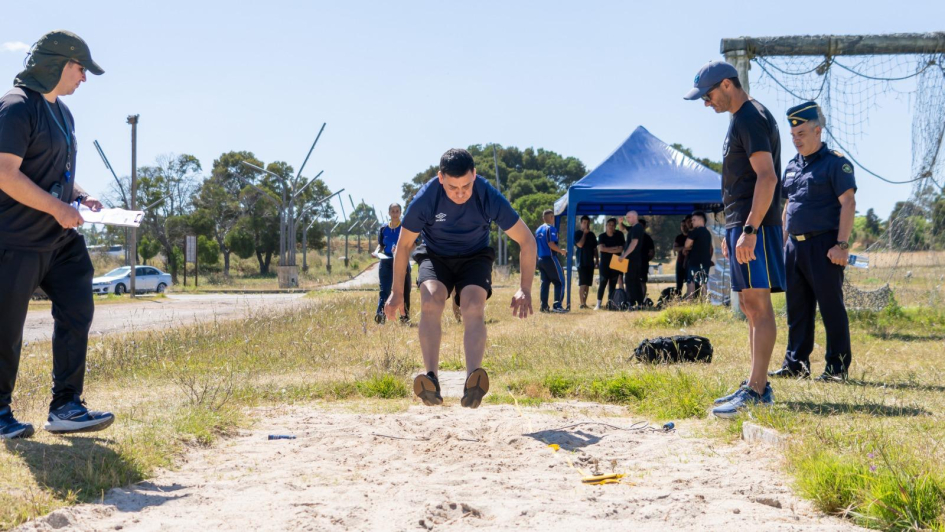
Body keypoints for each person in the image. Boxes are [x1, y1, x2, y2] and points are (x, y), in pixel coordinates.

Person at [0, 31, 115, 439]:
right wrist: (58, 208)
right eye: (81, 68)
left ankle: (66, 406)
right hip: (15, 240)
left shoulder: (63, 113)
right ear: (58, 63)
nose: (84, 77)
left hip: (60, 240)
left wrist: (81, 197)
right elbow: (5, 175)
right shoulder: (15, 108)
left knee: (78, 310)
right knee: (6, 330)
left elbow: (52, 170)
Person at [384, 148, 536, 409]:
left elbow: (527, 240)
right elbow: (404, 244)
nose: (460, 193)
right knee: (431, 300)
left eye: (466, 185)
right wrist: (397, 291)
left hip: (474, 256)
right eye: (453, 187)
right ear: (440, 178)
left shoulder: (487, 194)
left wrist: (525, 287)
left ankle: (473, 381)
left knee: (472, 304)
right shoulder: (426, 198)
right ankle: (431, 378)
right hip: (436, 255)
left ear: (474, 175)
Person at [685, 60, 785, 418]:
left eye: (708, 95)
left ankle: (759, 390)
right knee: (748, 306)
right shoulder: (740, 119)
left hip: (755, 228)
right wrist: (735, 227)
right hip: (742, 224)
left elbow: (767, 178)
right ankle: (754, 383)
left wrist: (750, 230)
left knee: (759, 306)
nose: (706, 102)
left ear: (727, 85)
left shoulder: (750, 117)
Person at [769, 102, 856, 382]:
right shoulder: (793, 165)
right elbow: (788, 206)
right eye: (793, 134)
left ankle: (837, 368)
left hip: (825, 246)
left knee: (831, 308)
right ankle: (796, 364)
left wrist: (841, 244)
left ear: (818, 130)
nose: (796, 139)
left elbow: (848, 202)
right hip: (794, 247)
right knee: (797, 308)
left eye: (802, 133)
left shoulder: (835, 162)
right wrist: (781, 244)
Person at [373, 203, 411, 324]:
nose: (395, 214)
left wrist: (402, 250)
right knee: (384, 289)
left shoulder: (405, 227)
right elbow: (381, 244)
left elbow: (413, 243)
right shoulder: (383, 228)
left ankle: (404, 317)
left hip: (401, 261)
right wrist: (376, 251)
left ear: (400, 213)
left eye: (397, 211)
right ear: (389, 213)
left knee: (404, 290)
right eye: (393, 211)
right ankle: (380, 316)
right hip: (386, 262)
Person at [535, 209, 566, 313]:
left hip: (540, 259)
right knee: (560, 282)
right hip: (550, 258)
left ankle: (544, 306)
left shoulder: (538, 230)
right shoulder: (551, 229)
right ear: (552, 218)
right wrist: (561, 251)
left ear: (543, 218)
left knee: (545, 283)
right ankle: (557, 306)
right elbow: (551, 244)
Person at [594, 217, 624, 310]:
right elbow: (601, 249)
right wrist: (614, 249)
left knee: (613, 284)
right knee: (603, 282)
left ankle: (611, 303)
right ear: (606, 226)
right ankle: (598, 304)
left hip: (616, 262)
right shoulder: (602, 236)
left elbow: (621, 249)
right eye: (609, 225)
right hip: (605, 263)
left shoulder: (619, 235)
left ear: (615, 227)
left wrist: (608, 249)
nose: (611, 227)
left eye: (613, 225)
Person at [618, 211, 645, 307]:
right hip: (633, 259)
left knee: (630, 281)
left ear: (634, 217)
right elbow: (622, 228)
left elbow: (634, 243)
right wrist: (621, 222)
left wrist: (623, 255)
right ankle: (639, 302)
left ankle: (631, 301)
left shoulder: (637, 228)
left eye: (628, 217)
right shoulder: (633, 228)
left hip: (633, 259)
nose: (627, 219)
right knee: (635, 281)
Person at [684, 211, 714, 298]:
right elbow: (710, 248)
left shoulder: (695, 231)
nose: (692, 222)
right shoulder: (708, 233)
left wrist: (688, 248)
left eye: (694, 220)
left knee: (691, 282)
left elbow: (686, 245)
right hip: (705, 261)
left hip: (694, 261)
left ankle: (689, 302)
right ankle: (704, 302)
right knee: (703, 283)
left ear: (701, 220)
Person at [573, 215, 598, 309]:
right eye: (584, 223)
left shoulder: (592, 235)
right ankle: (582, 303)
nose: (586, 225)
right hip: (581, 262)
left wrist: (597, 261)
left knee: (587, 284)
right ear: (581, 223)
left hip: (590, 263)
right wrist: (584, 233)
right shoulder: (577, 234)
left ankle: (585, 303)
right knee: (582, 283)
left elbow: (595, 249)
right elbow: (580, 244)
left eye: (588, 223)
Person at [673, 216, 691, 294]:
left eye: (684, 225)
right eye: (681, 226)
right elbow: (675, 248)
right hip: (680, 262)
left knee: (689, 282)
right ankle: (678, 297)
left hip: (690, 262)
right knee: (679, 283)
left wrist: (684, 248)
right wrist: (684, 248)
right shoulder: (679, 237)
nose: (683, 227)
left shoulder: (691, 236)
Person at [638, 218, 655, 301]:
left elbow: (652, 252)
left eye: (641, 226)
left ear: (644, 227)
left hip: (643, 263)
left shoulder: (648, 238)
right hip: (632, 264)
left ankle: (641, 301)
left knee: (642, 282)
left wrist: (646, 260)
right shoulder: (632, 235)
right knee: (632, 282)